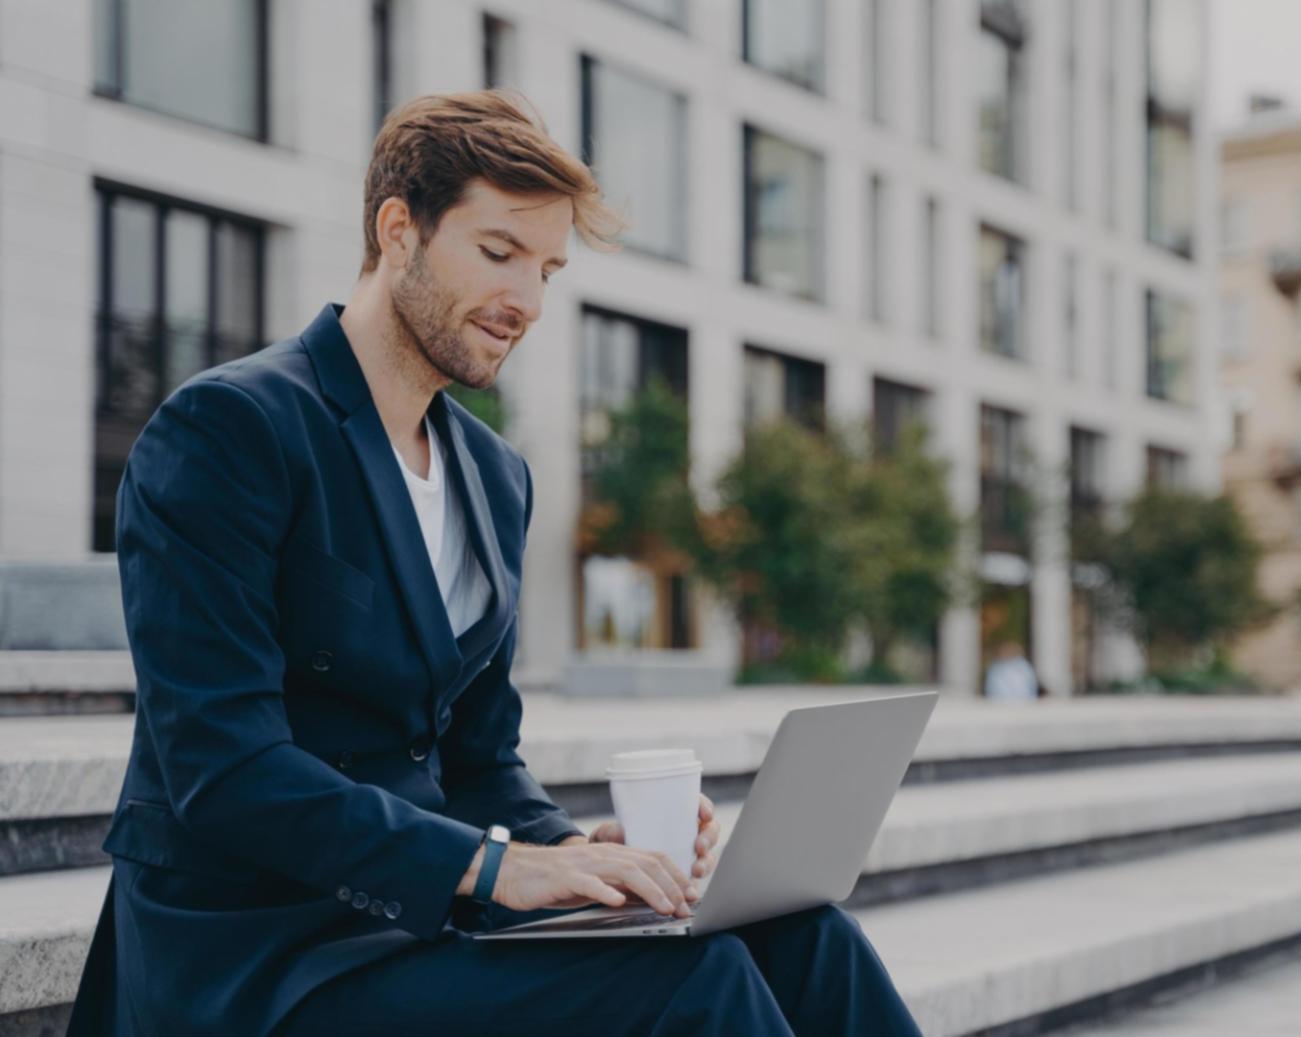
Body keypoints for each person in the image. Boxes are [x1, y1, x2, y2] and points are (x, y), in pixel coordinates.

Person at [66, 90, 921, 1037]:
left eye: (547, 269)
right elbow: (222, 768)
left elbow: (479, 759)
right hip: (258, 957)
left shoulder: (492, 474)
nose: (528, 302)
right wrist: (498, 867)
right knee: (696, 979)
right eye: (499, 252)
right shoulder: (230, 429)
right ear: (399, 231)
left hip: (422, 926)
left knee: (806, 935)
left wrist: (579, 852)